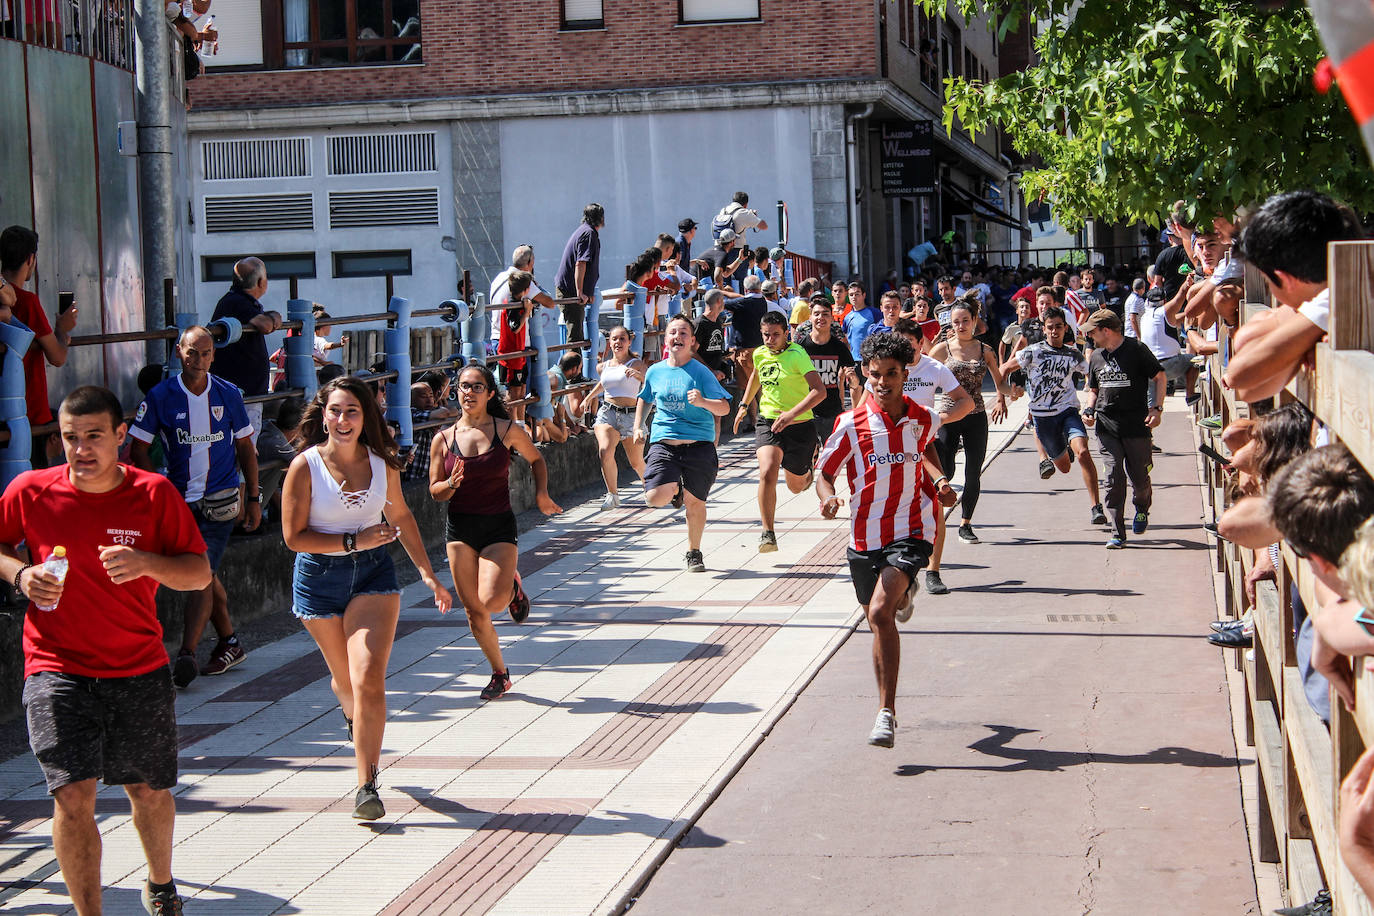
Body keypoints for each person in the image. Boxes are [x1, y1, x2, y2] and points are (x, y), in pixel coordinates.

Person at [0, 385, 212, 915]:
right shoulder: (30, 490)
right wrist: (21, 575)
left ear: (120, 435)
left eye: (93, 436)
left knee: (146, 790)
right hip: (55, 667)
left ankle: (160, 883)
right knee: (72, 796)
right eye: (70, 437)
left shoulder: (153, 493)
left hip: (137, 668)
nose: (81, 449)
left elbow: (198, 573)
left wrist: (147, 564)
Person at [281, 376, 452, 821]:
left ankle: (366, 785)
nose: (343, 420)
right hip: (318, 579)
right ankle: (355, 722)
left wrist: (428, 574)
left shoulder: (382, 463)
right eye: (335, 411)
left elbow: (401, 515)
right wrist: (352, 541)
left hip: (373, 575)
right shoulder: (304, 466)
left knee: (368, 679)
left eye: (352, 412)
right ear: (323, 416)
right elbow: (294, 538)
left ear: (365, 418)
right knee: (345, 681)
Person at [817, 333, 955, 748]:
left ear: (904, 374)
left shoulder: (923, 417)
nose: (882, 382)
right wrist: (828, 498)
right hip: (864, 536)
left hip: (911, 529)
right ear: (865, 373)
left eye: (891, 374)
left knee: (880, 613)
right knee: (877, 621)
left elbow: (926, 449)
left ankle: (885, 713)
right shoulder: (850, 424)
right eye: (875, 374)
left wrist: (940, 482)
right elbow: (825, 474)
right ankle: (904, 593)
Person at [129, 326, 260, 689]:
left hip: (221, 502)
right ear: (179, 353)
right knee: (206, 574)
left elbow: (246, 448)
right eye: (192, 353)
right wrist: (156, 491)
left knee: (201, 573)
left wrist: (253, 498)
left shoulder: (228, 393)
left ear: (214, 355)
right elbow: (138, 448)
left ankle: (186, 653)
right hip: (178, 502)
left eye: (205, 353)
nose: (199, 360)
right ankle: (229, 642)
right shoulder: (161, 396)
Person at [430, 362, 561, 702]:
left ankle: (512, 588)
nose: (469, 392)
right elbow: (434, 491)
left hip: (498, 525)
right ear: (456, 391)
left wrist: (542, 494)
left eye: (477, 387)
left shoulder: (507, 430)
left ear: (489, 394)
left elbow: (537, 460)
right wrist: (449, 484)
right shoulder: (442, 439)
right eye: (464, 386)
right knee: (474, 611)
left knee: (492, 601)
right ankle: (500, 673)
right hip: (460, 529)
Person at [1226, 190, 1365, 401]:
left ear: (1285, 279)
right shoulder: (1341, 290)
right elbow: (1248, 390)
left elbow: (1239, 375)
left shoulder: (1334, 300)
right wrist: (1305, 340)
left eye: (1267, 281)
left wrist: (1297, 342)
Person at [633, 315, 732, 572]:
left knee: (695, 502)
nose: (677, 336)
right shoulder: (655, 371)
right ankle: (675, 489)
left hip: (699, 445)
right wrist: (638, 426)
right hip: (665, 443)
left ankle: (694, 552)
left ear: (692, 342)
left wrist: (703, 402)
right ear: (665, 339)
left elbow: (723, 408)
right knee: (655, 498)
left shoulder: (701, 372)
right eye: (673, 332)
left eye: (683, 333)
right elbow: (645, 397)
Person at [1001, 306, 1105, 524]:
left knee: (1083, 452)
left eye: (1059, 327)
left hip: (1068, 411)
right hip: (1043, 417)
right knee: (1064, 468)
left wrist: (1093, 400)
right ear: (1044, 329)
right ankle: (1064, 446)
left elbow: (1093, 375)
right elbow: (1004, 369)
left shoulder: (1073, 353)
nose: (1054, 331)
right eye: (1050, 327)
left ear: (1065, 328)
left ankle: (1096, 507)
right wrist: (1005, 395)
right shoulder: (1032, 352)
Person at [732, 311, 826, 552]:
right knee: (767, 471)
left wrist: (791, 415)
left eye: (775, 335)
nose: (770, 340)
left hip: (799, 425)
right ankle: (768, 533)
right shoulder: (760, 353)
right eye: (766, 335)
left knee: (796, 486)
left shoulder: (798, 355)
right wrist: (744, 404)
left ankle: (808, 468)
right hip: (769, 421)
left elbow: (819, 391)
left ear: (786, 333)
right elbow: (756, 375)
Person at [1079, 309, 1164, 548]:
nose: (1090, 337)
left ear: (1106, 330)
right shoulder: (1097, 356)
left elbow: (1160, 377)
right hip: (1107, 426)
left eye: (1092, 332)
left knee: (1139, 479)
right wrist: (1089, 409)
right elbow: (1094, 389)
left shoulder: (1137, 350)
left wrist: (1157, 409)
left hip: (1136, 426)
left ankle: (1142, 508)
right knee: (1113, 476)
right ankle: (1117, 532)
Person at [929, 300, 1011, 546]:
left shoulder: (985, 350)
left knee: (973, 472)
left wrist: (1012, 392)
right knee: (946, 470)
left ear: (975, 321)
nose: (961, 325)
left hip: (976, 416)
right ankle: (933, 517)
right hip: (948, 416)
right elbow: (920, 375)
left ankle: (965, 524)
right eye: (956, 321)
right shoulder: (942, 350)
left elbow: (1000, 383)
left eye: (966, 320)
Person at [0, 225, 78, 468]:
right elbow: (57, 357)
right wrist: (62, 329)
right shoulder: (28, 301)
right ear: (30, 259)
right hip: (28, 412)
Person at [211, 256, 284, 442]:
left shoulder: (238, 301)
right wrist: (274, 318)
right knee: (245, 446)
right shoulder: (238, 302)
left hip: (242, 391)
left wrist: (272, 316)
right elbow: (265, 325)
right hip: (241, 393)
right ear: (260, 282)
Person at [584, 326, 648, 510]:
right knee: (605, 451)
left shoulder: (636, 364)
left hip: (631, 415)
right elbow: (605, 383)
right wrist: (589, 398)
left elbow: (651, 382)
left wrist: (639, 376)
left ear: (629, 342)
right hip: (608, 411)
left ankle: (650, 488)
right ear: (609, 343)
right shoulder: (602, 366)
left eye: (622, 339)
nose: (618, 342)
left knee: (636, 462)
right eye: (614, 339)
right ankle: (612, 495)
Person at [798, 296, 859, 441]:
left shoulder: (839, 347)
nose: (821, 317)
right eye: (816, 314)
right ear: (810, 318)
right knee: (808, 454)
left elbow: (855, 384)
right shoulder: (801, 347)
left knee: (831, 452)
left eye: (825, 314)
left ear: (832, 318)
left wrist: (852, 378)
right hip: (806, 410)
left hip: (832, 410)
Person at [553, 203, 604, 343]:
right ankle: (573, 358)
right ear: (601, 218)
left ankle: (575, 357)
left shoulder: (584, 231)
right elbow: (581, 263)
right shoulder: (588, 233)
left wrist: (588, 291)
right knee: (575, 335)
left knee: (577, 333)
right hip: (570, 290)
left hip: (570, 289)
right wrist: (580, 291)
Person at [492, 269, 536, 423]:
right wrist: (526, 312)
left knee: (522, 389)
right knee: (513, 392)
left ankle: (521, 423)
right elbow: (515, 327)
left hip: (519, 352)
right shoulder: (512, 305)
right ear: (526, 289)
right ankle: (511, 424)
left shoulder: (519, 302)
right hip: (511, 354)